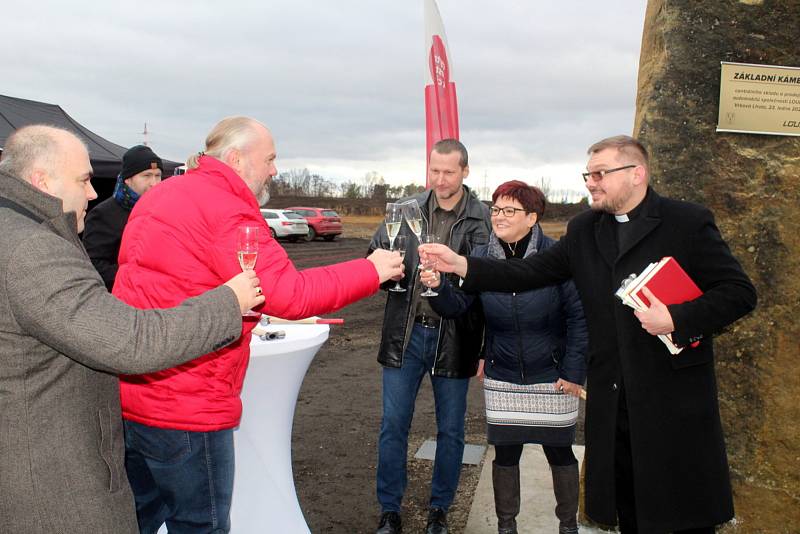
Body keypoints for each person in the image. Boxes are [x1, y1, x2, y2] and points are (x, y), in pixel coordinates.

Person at [419, 135, 757, 533]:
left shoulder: (687, 222)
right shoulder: (584, 230)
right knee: (628, 506)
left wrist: (677, 318)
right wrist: (462, 264)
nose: (591, 183)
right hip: (613, 401)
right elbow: (528, 272)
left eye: (600, 174)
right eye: (588, 174)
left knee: (682, 513)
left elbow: (739, 293)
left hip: (673, 400)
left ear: (637, 174)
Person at [113, 116, 404, 534]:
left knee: (140, 518)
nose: (274, 170)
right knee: (201, 525)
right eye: (269, 159)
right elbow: (291, 294)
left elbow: (174, 279)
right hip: (188, 402)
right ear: (236, 158)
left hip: (135, 394)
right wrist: (371, 270)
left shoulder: (165, 194)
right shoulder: (228, 209)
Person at [0, 125, 263, 533]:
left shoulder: (14, 228)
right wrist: (229, 300)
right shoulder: (34, 249)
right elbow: (130, 342)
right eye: (84, 180)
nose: (93, 193)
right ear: (42, 181)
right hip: (47, 480)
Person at [420, 180, 587, 534]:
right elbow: (457, 308)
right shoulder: (479, 258)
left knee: (559, 453)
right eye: (496, 209)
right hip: (503, 374)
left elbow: (578, 317)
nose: (499, 216)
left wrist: (573, 371)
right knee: (506, 454)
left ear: (532, 217)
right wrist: (436, 287)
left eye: (510, 210)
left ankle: (567, 527)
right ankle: (506, 527)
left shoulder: (557, 256)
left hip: (553, 374)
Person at [367, 139, 491, 534]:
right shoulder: (406, 209)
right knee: (393, 426)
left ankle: (440, 509)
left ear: (465, 172)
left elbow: (487, 288)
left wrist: (485, 347)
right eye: (434, 171)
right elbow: (374, 254)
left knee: (451, 430)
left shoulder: (482, 219)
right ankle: (390, 510)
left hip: (454, 339)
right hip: (404, 336)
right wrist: (391, 271)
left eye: (448, 172)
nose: (439, 179)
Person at [83, 145, 163, 289]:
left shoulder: (162, 211)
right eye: (147, 175)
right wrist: (139, 279)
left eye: (158, 175)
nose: (154, 183)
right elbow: (93, 264)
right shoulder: (103, 214)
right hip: (118, 299)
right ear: (128, 179)